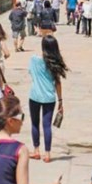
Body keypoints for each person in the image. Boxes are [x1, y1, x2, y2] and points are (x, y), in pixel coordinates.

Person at [28, 35, 68, 163]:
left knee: (35, 123)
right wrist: (60, 100)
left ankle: (36, 150)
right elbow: (58, 83)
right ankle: (48, 154)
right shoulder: (55, 63)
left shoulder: (34, 59)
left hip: (34, 96)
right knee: (47, 126)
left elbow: (31, 74)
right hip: (49, 97)